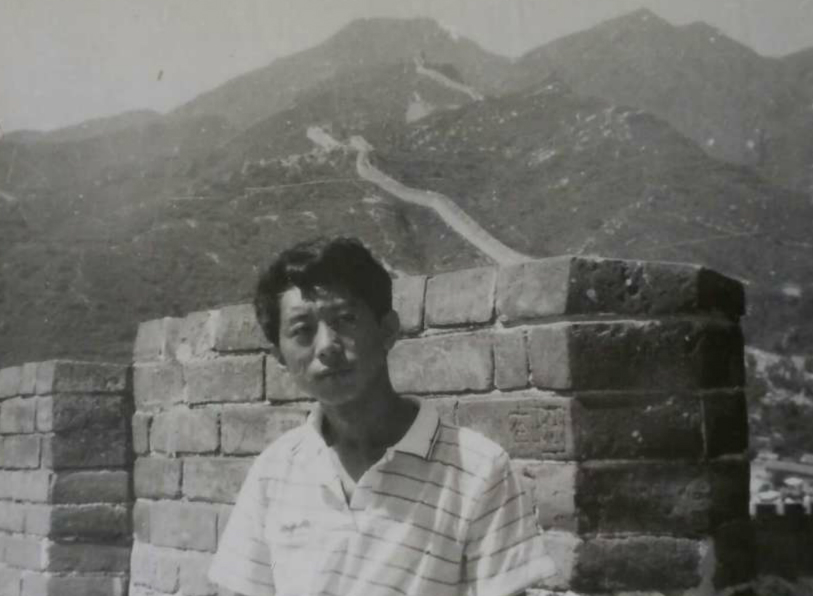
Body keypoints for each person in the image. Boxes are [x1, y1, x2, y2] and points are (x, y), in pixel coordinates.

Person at [208, 236, 555, 596]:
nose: (326, 346)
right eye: (302, 330)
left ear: (387, 330)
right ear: (280, 356)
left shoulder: (479, 469)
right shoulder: (275, 470)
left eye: (345, 319)